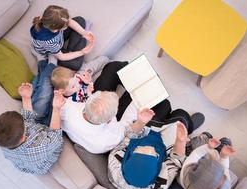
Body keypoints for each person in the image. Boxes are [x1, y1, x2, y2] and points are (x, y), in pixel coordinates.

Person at [60, 59, 205, 154]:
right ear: (110, 119)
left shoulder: (67, 109)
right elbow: (129, 130)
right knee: (164, 104)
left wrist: (86, 86)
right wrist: (141, 120)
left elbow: (63, 97)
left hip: (96, 117)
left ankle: (136, 77)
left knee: (113, 67)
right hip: (110, 129)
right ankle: (187, 125)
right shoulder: (111, 135)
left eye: (100, 94)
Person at [107, 108, 204, 189]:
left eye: (140, 149)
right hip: (163, 146)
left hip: (142, 135)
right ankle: (188, 127)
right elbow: (176, 161)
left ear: (129, 157)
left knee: (162, 108)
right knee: (182, 116)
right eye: (154, 153)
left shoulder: (115, 162)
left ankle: (172, 123)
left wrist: (141, 122)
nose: (151, 148)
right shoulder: (159, 186)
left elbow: (128, 135)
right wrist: (180, 140)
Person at [0, 83, 66, 175]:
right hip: (50, 141)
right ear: (23, 137)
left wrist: (26, 98)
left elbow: (27, 119)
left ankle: (46, 70)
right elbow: (55, 136)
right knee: (58, 102)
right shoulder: (40, 147)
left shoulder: (5, 142)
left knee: (45, 91)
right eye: (24, 123)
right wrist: (56, 108)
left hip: (37, 131)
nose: (24, 121)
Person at [30, 5, 95, 70]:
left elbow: (70, 22)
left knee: (80, 20)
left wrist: (84, 32)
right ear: (55, 29)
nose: (67, 26)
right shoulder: (48, 41)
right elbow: (61, 56)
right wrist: (81, 52)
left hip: (58, 39)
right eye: (64, 27)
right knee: (76, 65)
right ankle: (71, 51)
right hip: (53, 52)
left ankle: (71, 50)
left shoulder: (52, 17)